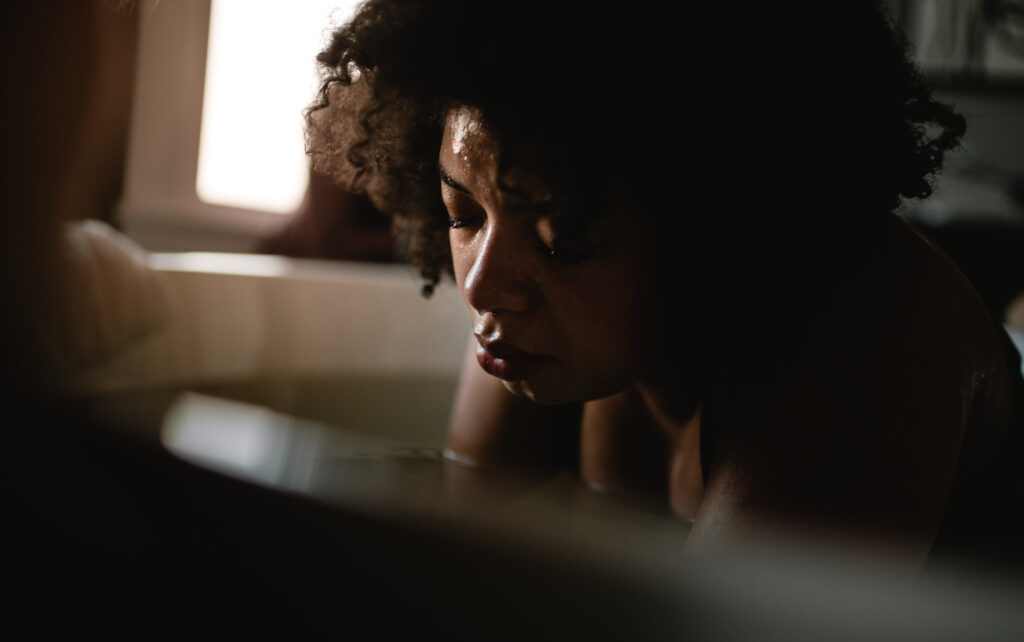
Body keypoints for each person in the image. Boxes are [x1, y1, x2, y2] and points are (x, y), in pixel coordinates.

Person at [306, 0, 1023, 573]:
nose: (485, 285)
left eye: (565, 240)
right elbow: (450, 568)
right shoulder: (532, 313)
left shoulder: (877, 321)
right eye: (462, 213)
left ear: (715, 218)